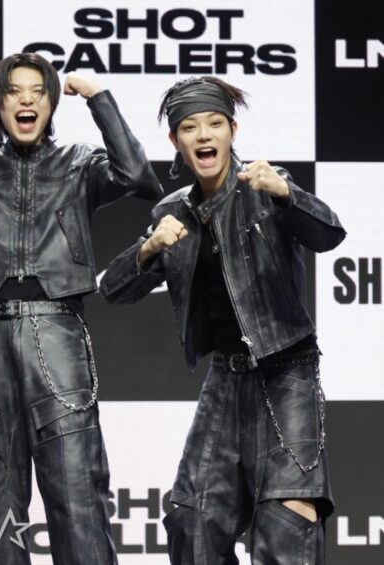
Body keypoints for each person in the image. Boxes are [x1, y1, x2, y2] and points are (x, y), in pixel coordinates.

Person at [0, 52, 162, 564]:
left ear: (50, 104)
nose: (26, 100)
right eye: (14, 92)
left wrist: (99, 98)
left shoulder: (78, 163)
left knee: (78, 497)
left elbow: (137, 175)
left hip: (56, 336)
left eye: (38, 91)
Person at [99, 76, 346, 564]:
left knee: (287, 525)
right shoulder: (173, 211)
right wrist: (149, 247)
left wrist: (285, 193)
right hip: (225, 379)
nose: (204, 135)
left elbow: (330, 233)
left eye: (215, 123)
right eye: (190, 127)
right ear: (175, 140)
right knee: (191, 522)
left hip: (287, 372)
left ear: (232, 130)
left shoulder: (264, 184)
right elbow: (113, 288)